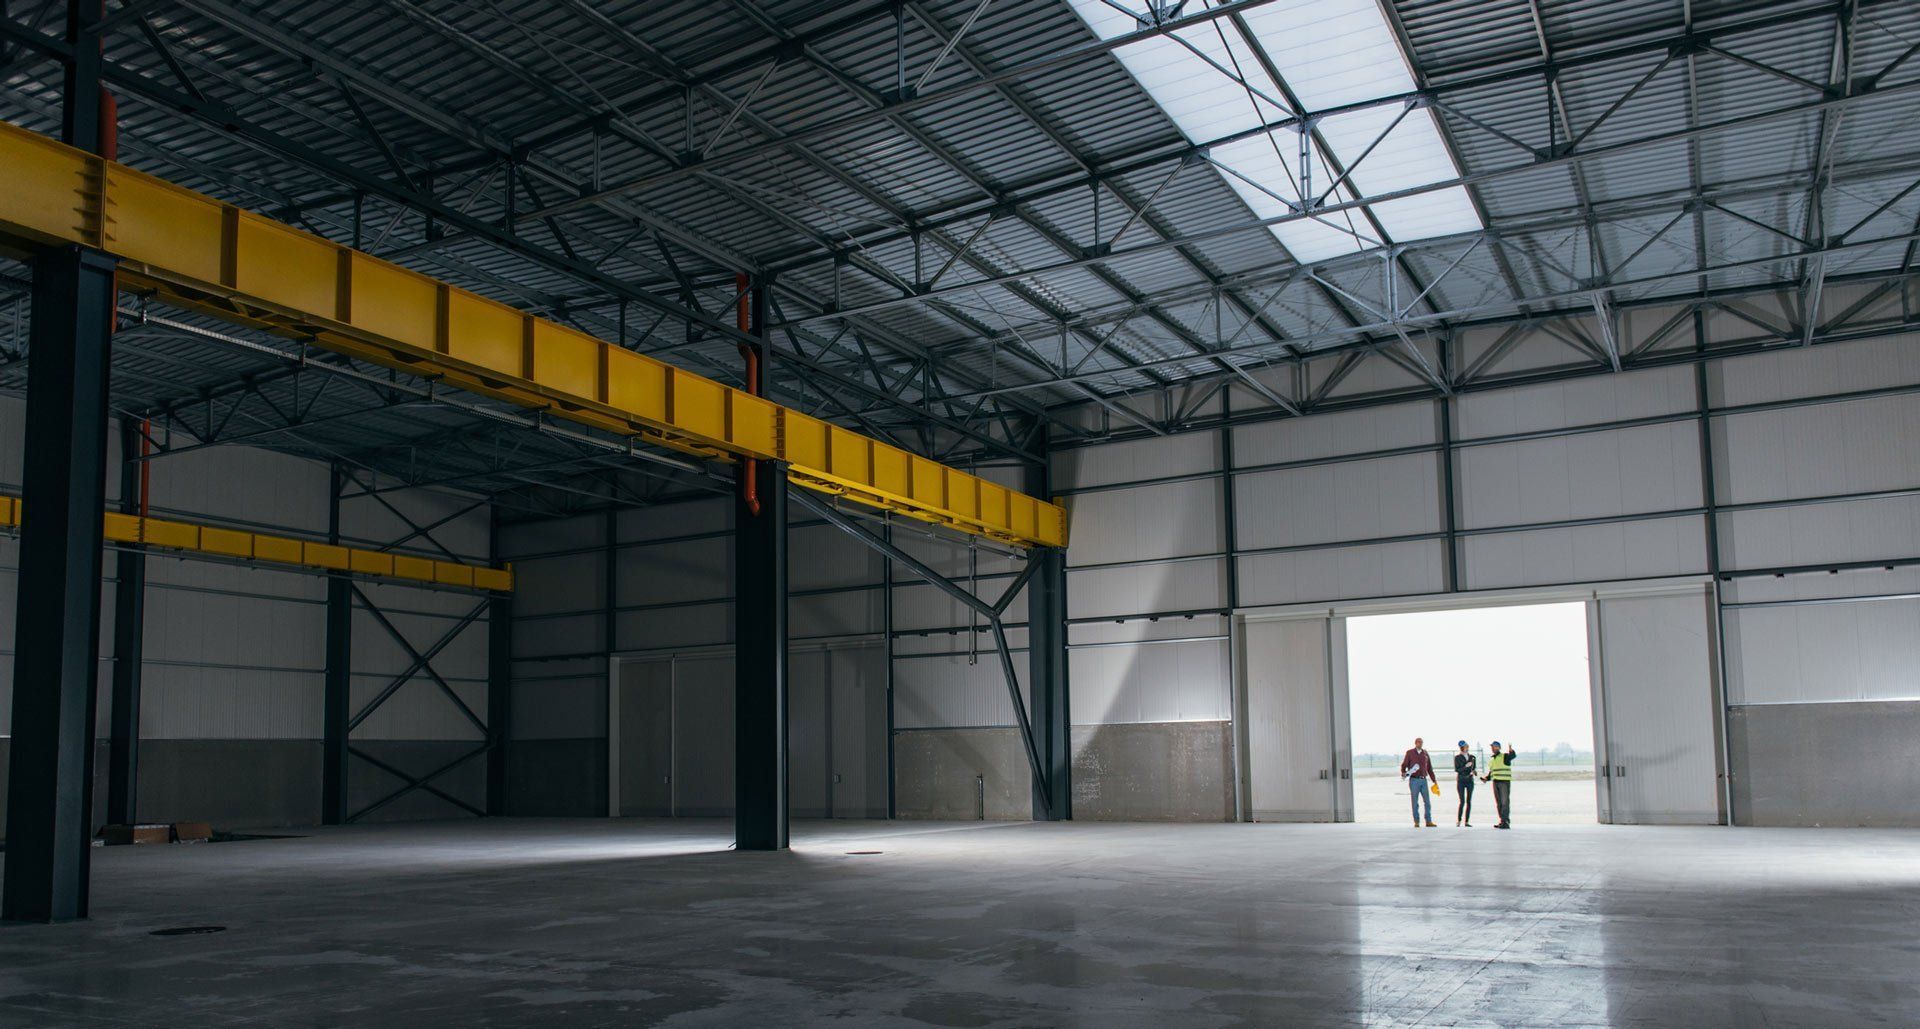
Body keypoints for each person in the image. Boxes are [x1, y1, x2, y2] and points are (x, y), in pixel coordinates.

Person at [1399, 737, 1438, 827]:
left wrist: (1434, 780)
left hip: (1424, 780)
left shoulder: (1425, 753)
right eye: (1418, 742)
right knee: (1415, 802)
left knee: (1427, 802)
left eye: (1421, 742)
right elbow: (1404, 764)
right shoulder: (1410, 753)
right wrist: (1403, 772)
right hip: (1414, 780)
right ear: (1415, 743)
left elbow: (1429, 768)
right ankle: (1416, 821)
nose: (1420, 744)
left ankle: (1428, 821)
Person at [1481, 740, 1517, 829]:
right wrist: (1486, 778)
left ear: (1499, 748)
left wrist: (1511, 751)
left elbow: (1512, 756)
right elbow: (1492, 772)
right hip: (1495, 782)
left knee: (1505, 802)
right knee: (1499, 803)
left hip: (1504, 782)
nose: (1493, 748)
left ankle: (1506, 822)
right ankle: (1502, 821)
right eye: (1492, 746)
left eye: (1495, 746)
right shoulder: (1492, 760)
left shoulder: (1504, 756)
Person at [1453, 741, 1476, 827]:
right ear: (1461, 748)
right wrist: (1466, 766)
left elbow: (1473, 768)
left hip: (1470, 780)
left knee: (1469, 801)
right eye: (1465, 747)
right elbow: (1457, 770)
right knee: (1462, 801)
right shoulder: (1457, 758)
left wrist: (1474, 772)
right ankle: (1459, 820)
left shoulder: (1472, 757)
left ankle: (1467, 821)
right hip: (1461, 781)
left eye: (1467, 746)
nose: (1467, 748)